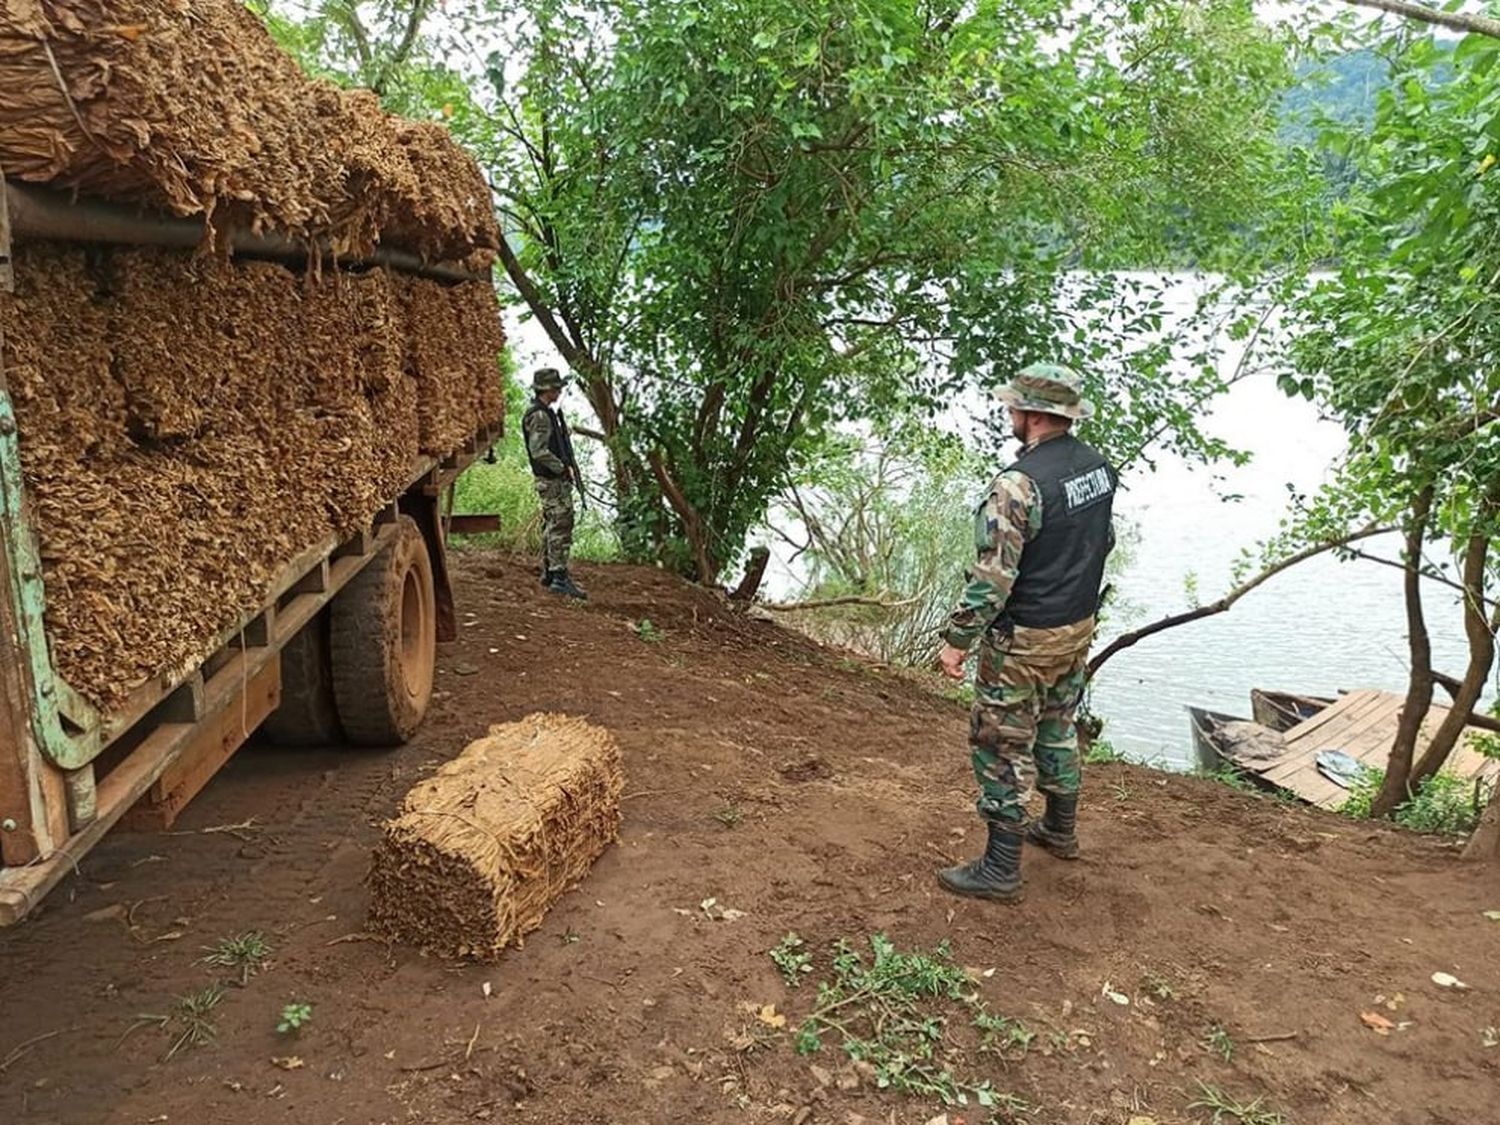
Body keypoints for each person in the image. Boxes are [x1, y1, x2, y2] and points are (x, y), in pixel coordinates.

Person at [935, 362, 1117, 903]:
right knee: (1058, 725)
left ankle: (1001, 868)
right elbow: (1100, 542)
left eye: (1013, 407)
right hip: (1076, 626)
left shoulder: (1017, 487)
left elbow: (994, 576)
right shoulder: (1097, 467)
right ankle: (1060, 829)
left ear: (1034, 416)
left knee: (998, 743)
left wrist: (957, 640)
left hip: (1025, 638)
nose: (1009, 414)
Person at [523, 367, 587, 600]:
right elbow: (538, 451)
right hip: (552, 480)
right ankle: (559, 577)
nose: (559, 391)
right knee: (561, 524)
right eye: (555, 387)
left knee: (553, 524)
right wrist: (562, 467)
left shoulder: (547, 413)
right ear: (546, 389)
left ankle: (551, 573)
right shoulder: (540, 416)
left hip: (551, 480)